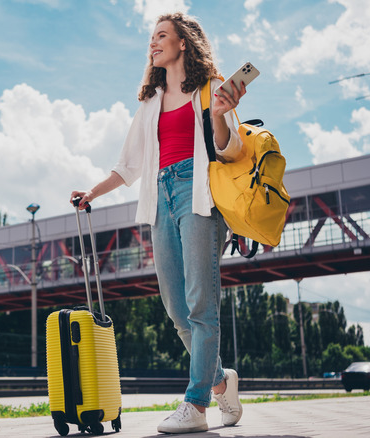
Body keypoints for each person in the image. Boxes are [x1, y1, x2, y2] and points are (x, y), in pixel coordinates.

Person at [70, 12, 245, 434]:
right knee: (175, 308)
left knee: (202, 303)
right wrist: (93, 191)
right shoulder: (150, 103)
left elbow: (232, 150)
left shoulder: (209, 89)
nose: (153, 44)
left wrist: (221, 113)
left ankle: (196, 404)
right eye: (151, 38)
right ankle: (222, 381)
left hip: (197, 193)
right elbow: (128, 164)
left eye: (161, 36)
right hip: (160, 197)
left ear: (183, 43)